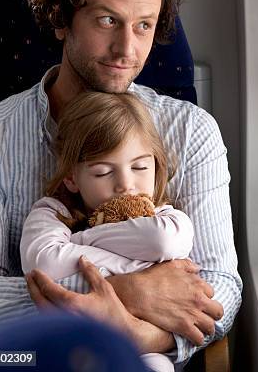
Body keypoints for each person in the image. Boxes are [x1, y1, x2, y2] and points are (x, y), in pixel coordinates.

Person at [0, 0, 242, 367]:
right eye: (108, 20)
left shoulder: (190, 131)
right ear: (61, 20)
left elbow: (221, 288)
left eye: (144, 25)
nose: (126, 49)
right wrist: (130, 291)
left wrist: (138, 335)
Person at [21, 91, 196, 371]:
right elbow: (45, 264)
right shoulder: (52, 213)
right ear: (71, 177)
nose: (126, 185)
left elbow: (163, 241)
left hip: (142, 348)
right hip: (68, 345)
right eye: (103, 172)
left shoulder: (162, 215)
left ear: (156, 164)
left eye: (140, 166)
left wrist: (82, 240)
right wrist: (138, 273)